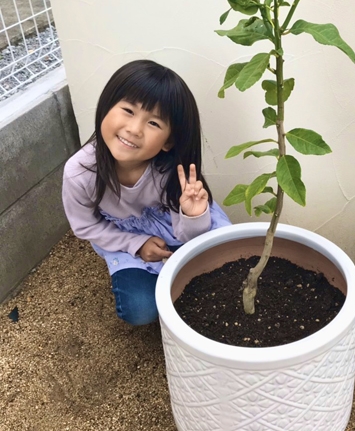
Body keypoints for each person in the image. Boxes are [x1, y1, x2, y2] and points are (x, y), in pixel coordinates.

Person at [62, 60, 231, 326]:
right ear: (106, 107)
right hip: (126, 239)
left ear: (169, 141)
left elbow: (190, 236)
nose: (134, 129)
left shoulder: (170, 172)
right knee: (140, 310)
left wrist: (194, 215)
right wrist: (136, 245)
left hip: (182, 228)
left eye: (153, 122)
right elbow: (85, 226)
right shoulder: (80, 172)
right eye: (128, 110)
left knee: (227, 274)